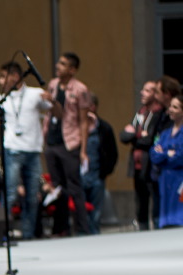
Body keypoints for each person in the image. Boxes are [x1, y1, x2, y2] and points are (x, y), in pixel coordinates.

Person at [0, 61, 52, 241]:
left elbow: (57, 112)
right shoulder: (2, 99)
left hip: (33, 150)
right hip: (12, 150)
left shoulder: (35, 94)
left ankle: (28, 234)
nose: (0, 81)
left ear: (16, 76)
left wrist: (53, 101)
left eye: (4, 76)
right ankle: (2, 233)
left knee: (32, 196)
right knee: (10, 193)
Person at [44, 52, 93, 235]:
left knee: (74, 186)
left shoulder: (80, 89)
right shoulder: (53, 85)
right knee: (58, 187)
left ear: (72, 70)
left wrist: (83, 150)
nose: (58, 66)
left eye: (63, 64)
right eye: (59, 62)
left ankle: (82, 228)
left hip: (70, 141)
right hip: (52, 140)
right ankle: (61, 228)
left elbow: (83, 121)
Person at [121, 80, 163, 230]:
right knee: (140, 201)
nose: (142, 93)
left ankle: (157, 228)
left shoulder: (159, 114)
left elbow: (149, 140)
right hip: (137, 164)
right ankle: (142, 228)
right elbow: (124, 136)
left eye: (147, 90)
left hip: (151, 164)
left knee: (155, 199)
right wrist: (139, 135)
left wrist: (135, 135)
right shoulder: (140, 113)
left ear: (155, 94)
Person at [82, 94, 118, 234]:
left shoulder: (104, 128)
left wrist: (105, 171)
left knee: (96, 213)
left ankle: (94, 235)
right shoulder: (75, 127)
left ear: (93, 107)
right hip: (80, 176)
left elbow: (112, 153)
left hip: (97, 175)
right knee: (81, 212)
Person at [150, 95, 183, 227]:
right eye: (170, 106)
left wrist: (163, 153)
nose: (170, 110)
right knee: (165, 221)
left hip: (179, 181)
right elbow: (154, 154)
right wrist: (167, 153)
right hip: (164, 181)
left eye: (175, 107)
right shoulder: (165, 133)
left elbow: (180, 157)